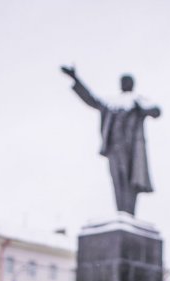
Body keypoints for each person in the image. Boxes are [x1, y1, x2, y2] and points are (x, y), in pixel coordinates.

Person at [61, 66, 160, 215]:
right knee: (117, 180)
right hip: (114, 147)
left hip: (132, 149)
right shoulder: (112, 102)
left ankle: (128, 214)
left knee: (132, 181)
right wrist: (76, 79)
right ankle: (122, 213)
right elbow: (91, 99)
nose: (125, 84)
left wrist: (141, 108)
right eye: (123, 81)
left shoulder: (138, 100)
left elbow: (156, 111)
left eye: (127, 81)